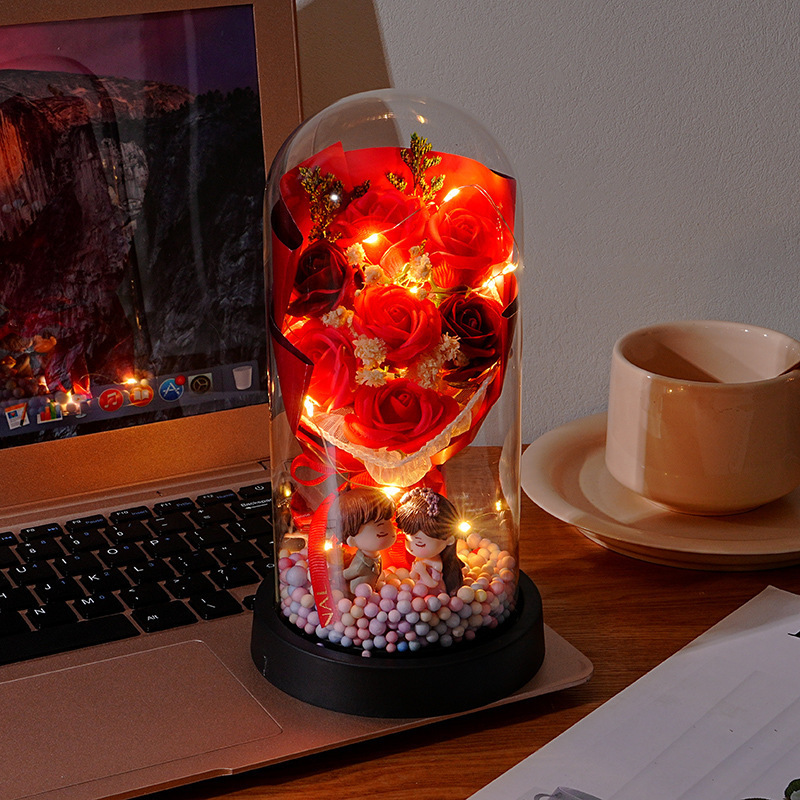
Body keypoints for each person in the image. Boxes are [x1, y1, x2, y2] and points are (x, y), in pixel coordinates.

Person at [395, 487, 464, 595]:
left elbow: (432, 584)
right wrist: (415, 571)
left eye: (420, 544)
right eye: (407, 540)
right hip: (420, 594)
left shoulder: (436, 563)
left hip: (435, 594)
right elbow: (413, 577)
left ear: (449, 540)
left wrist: (422, 571)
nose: (412, 547)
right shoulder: (420, 558)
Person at [331, 486, 397, 594]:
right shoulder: (360, 565)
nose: (388, 530)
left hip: (371, 593)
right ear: (352, 540)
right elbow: (343, 575)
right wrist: (332, 578)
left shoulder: (376, 557)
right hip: (357, 595)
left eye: (389, 521)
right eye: (379, 526)